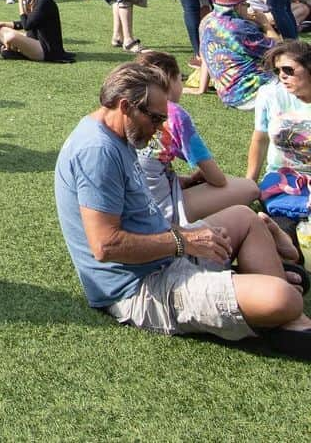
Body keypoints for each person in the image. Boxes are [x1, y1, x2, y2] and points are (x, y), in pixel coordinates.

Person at [55, 61, 311, 356]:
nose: (159, 128)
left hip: (163, 253)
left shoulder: (115, 134)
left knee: (244, 216)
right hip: (139, 287)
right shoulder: (97, 151)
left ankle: (268, 299)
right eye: (155, 119)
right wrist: (183, 241)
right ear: (125, 106)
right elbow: (105, 246)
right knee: (284, 297)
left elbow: (130, 201)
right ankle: (282, 305)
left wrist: (183, 187)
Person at [131, 50, 258, 226]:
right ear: (171, 81)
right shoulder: (174, 114)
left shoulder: (131, 110)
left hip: (132, 208)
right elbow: (217, 179)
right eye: (180, 79)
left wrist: (188, 180)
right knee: (249, 188)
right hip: (161, 211)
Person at [247, 41, 311, 257]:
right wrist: (250, 184)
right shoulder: (269, 94)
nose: (282, 76)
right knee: (283, 236)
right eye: (278, 70)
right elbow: (260, 139)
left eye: (288, 70)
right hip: (283, 182)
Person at [191, 0, 276, 109]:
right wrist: (265, 24)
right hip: (254, 93)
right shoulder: (240, 28)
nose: (248, 8)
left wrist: (201, 89)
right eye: (246, 4)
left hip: (229, 95)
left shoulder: (207, 21)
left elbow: (205, 58)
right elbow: (280, 50)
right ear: (236, 6)